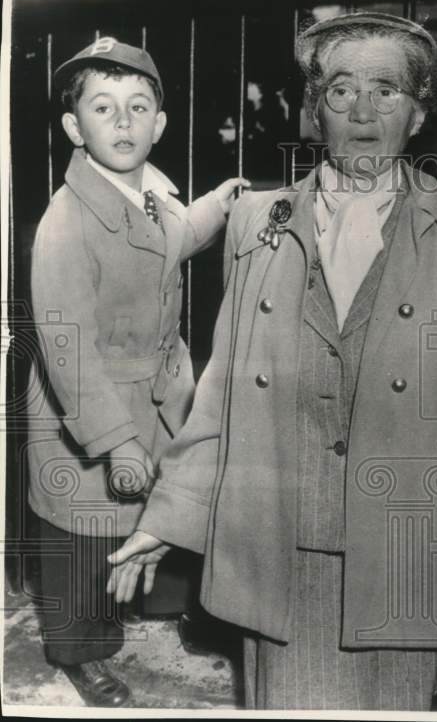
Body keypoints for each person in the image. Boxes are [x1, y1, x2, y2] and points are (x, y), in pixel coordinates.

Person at [108, 12, 437, 711]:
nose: (363, 112)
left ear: (420, 111)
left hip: (412, 553)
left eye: (387, 91)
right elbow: (221, 395)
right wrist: (168, 516)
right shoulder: (257, 222)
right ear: (314, 111)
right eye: (341, 91)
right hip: (280, 551)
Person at [26, 37, 247, 706]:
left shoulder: (149, 196)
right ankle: (79, 650)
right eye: (103, 107)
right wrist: (115, 440)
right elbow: (66, 344)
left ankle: (167, 610)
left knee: (164, 507)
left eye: (137, 106)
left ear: (159, 124)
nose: (122, 123)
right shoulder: (66, 222)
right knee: (85, 536)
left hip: (155, 394)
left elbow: (175, 237)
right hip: (88, 406)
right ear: (74, 127)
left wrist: (219, 201)